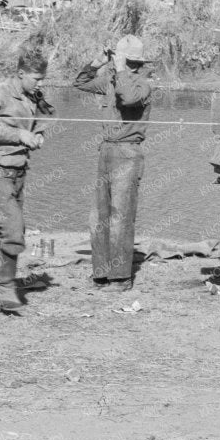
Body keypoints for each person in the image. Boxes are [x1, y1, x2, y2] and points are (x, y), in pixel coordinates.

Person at [0, 50, 52, 313]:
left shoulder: (32, 96)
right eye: (36, 78)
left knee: (1, 233)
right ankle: (5, 288)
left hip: (18, 171)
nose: (41, 84)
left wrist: (37, 135)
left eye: (43, 79)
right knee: (14, 231)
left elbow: (40, 120)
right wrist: (19, 135)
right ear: (21, 74)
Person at [75, 34, 153, 288]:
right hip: (106, 151)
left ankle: (120, 276)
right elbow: (80, 82)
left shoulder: (142, 84)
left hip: (128, 153)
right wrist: (96, 63)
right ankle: (101, 273)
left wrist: (119, 69)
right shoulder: (110, 80)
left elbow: (128, 98)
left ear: (129, 61)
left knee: (120, 216)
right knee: (99, 216)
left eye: (118, 57)